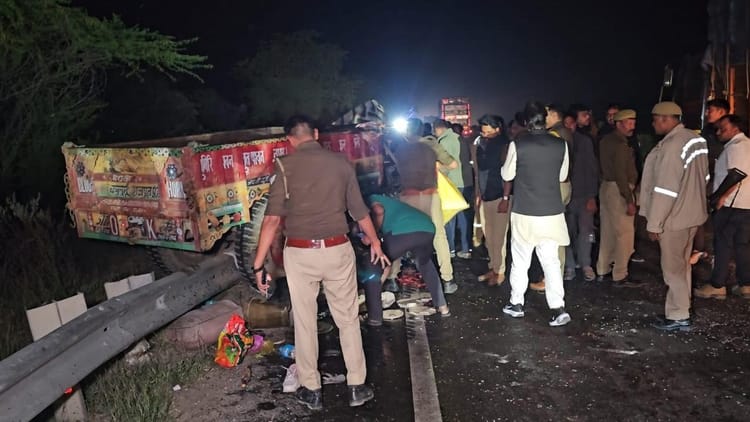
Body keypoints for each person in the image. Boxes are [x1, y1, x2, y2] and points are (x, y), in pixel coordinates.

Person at [252, 115, 389, 410]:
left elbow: (272, 220)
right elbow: (359, 212)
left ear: (290, 139)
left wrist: (258, 264)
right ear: (315, 134)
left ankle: (311, 390)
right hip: (338, 250)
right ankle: (357, 386)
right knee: (348, 319)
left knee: (304, 321)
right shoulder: (341, 163)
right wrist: (375, 242)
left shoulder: (284, 166)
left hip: (300, 254)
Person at [639, 102, 709, 331]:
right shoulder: (696, 140)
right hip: (692, 215)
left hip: (674, 217)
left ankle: (679, 316)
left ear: (665, 119)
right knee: (683, 267)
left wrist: (655, 223)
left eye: (655, 120)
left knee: (672, 269)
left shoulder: (672, 146)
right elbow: (704, 178)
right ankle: (681, 309)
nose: (653, 124)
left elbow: (665, 189)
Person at [501, 101, 571, 327]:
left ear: (525, 121)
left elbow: (507, 174)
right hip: (552, 213)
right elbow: (562, 176)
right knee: (551, 262)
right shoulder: (560, 144)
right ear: (545, 118)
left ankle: (516, 304)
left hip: (525, 212)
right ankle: (558, 308)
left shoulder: (518, 144)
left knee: (520, 261)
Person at [391, 118, 458, 293]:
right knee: (439, 236)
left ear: (407, 131)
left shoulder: (399, 148)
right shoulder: (431, 145)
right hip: (430, 195)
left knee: (400, 236)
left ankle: (392, 278)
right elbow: (453, 164)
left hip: (407, 196)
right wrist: (436, 167)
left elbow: (394, 173)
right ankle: (448, 279)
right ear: (422, 130)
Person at [360, 193, 450, 323]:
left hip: (405, 231)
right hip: (427, 228)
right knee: (425, 264)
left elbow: (379, 211)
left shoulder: (370, 199)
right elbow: (387, 263)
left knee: (373, 263)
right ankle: (442, 307)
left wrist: (371, 236)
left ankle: (374, 318)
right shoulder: (390, 202)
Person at [694, 114, 750, 300]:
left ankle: (717, 285)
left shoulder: (736, 147)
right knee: (742, 246)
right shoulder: (747, 145)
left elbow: (737, 174)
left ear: (736, 129)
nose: (718, 132)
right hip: (745, 205)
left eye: (723, 128)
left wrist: (718, 197)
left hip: (731, 205)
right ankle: (745, 285)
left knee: (723, 244)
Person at [596, 109, 641, 286]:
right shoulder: (621, 145)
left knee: (607, 231)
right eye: (629, 123)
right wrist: (629, 200)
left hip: (606, 187)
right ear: (618, 124)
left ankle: (603, 269)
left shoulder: (605, 140)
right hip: (619, 190)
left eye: (634, 123)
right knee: (625, 234)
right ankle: (620, 273)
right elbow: (621, 174)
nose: (632, 126)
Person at [473, 114, 512, 287]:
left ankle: (500, 271)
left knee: (499, 237)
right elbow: (479, 172)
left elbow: (509, 174)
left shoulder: (505, 145)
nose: (485, 134)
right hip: (486, 194)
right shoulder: (482, 144)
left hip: (500, 195)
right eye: (483, 131)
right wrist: (478, 193)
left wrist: (505, 198)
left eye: (488, 131)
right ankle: (493, 267)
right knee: (489, 236)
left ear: (498, 129)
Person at [690, 98, 731, 263]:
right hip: (706, 178)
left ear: (722, 112)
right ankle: (699, 249)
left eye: (710, 110)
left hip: (722, 180)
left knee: (721, 220)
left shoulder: (730, 131)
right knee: (698, 214)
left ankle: (719, 255)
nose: (707, 113)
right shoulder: (707, 131)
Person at [563, 112, 599, 282]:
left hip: (584, 195)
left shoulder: (584, 141)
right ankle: (569, 265)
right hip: (566, 197)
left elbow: (592, 169)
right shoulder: (558, 142)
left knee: (586, 232)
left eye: (571, 123)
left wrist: (592, 196)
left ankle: (586, 264)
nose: (569, 127)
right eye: (566, 124)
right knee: (567, 233)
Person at [435, 119, 469, 259]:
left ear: (438, 129)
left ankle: (451, 249)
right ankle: (465, 248)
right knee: (461, 216)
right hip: (462, 181)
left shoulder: (445, 141)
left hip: (451, 183)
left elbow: (447, 164)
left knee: (449, 217)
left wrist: (438, 168)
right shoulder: (458, 138)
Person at [453, 122, 475, 257]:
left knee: (457, 216)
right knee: (464, 215)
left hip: (458, 183)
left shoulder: (454, 143)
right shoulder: (466, 142)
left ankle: (459, 247)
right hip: (466, 182)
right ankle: (465, 246)